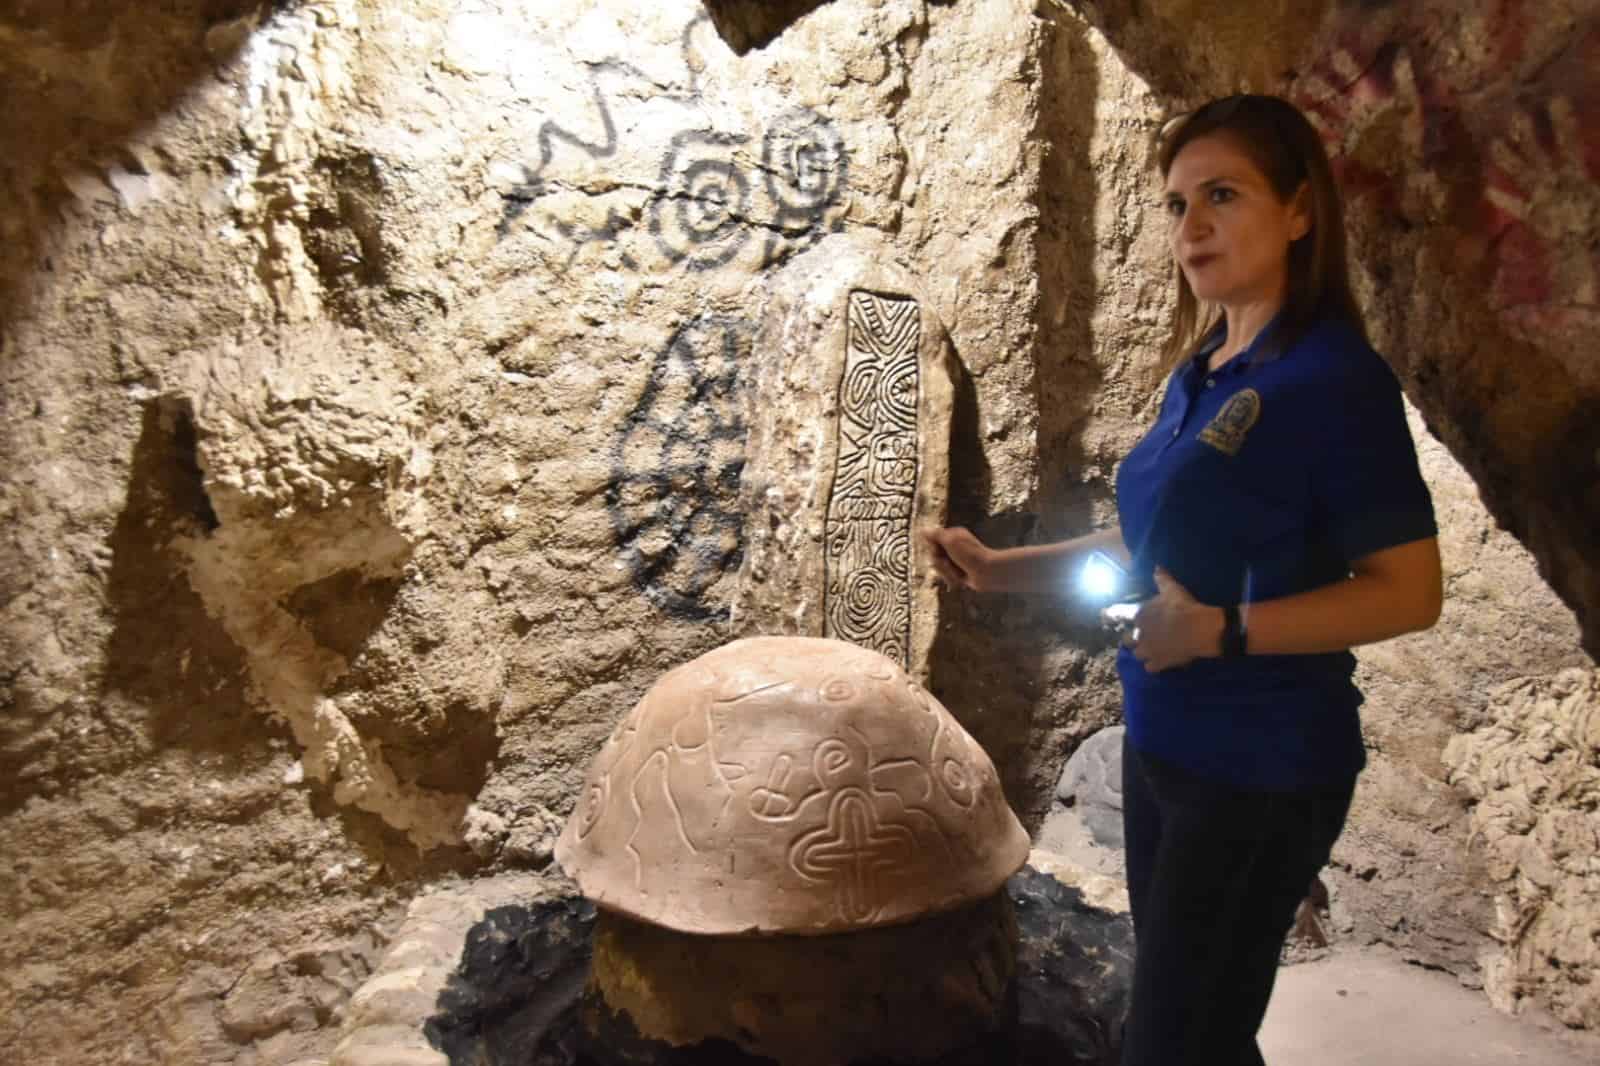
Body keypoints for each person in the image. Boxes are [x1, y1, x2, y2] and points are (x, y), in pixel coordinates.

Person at [924, 94, 1442, 1066]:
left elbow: (1408, 590)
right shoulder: (1202, 366)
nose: (1190, 226)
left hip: (1262, 764)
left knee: (1174, 1039)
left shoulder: (1333, 382)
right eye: (1174, 204)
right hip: (1164, 746)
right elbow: (1149, 551)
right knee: (1190, 1025)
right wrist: (998, 571)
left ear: (1297, 210)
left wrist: (1221, 632)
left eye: (1220, 195)